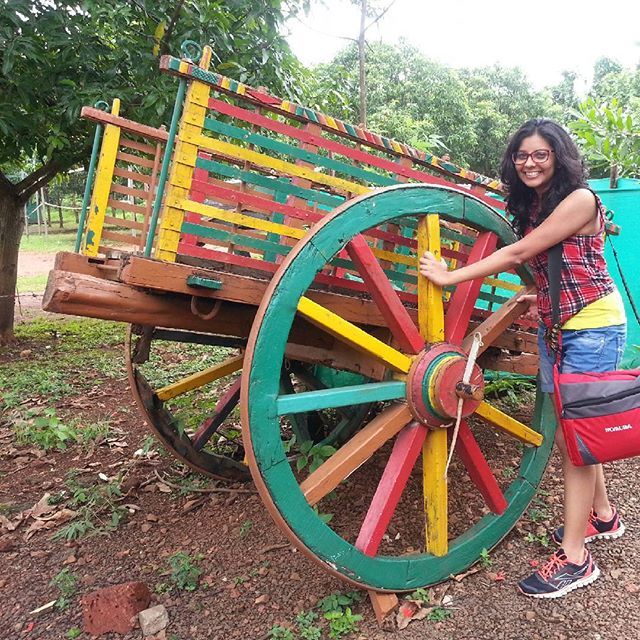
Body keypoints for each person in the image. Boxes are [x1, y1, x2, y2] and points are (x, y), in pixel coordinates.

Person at [419, 118, 627, 599]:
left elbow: (524, 252)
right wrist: (541, 295)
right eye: (522, 155)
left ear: (559, 157)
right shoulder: (535, 205)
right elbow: (549, 262)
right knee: (575, 435)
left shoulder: (579, 199)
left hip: (593, 328)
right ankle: (603, 517)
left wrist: (452, 278)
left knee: (576, 444)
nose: (529, 162)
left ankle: (577, 559)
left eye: (540, 154)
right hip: (558, 327)